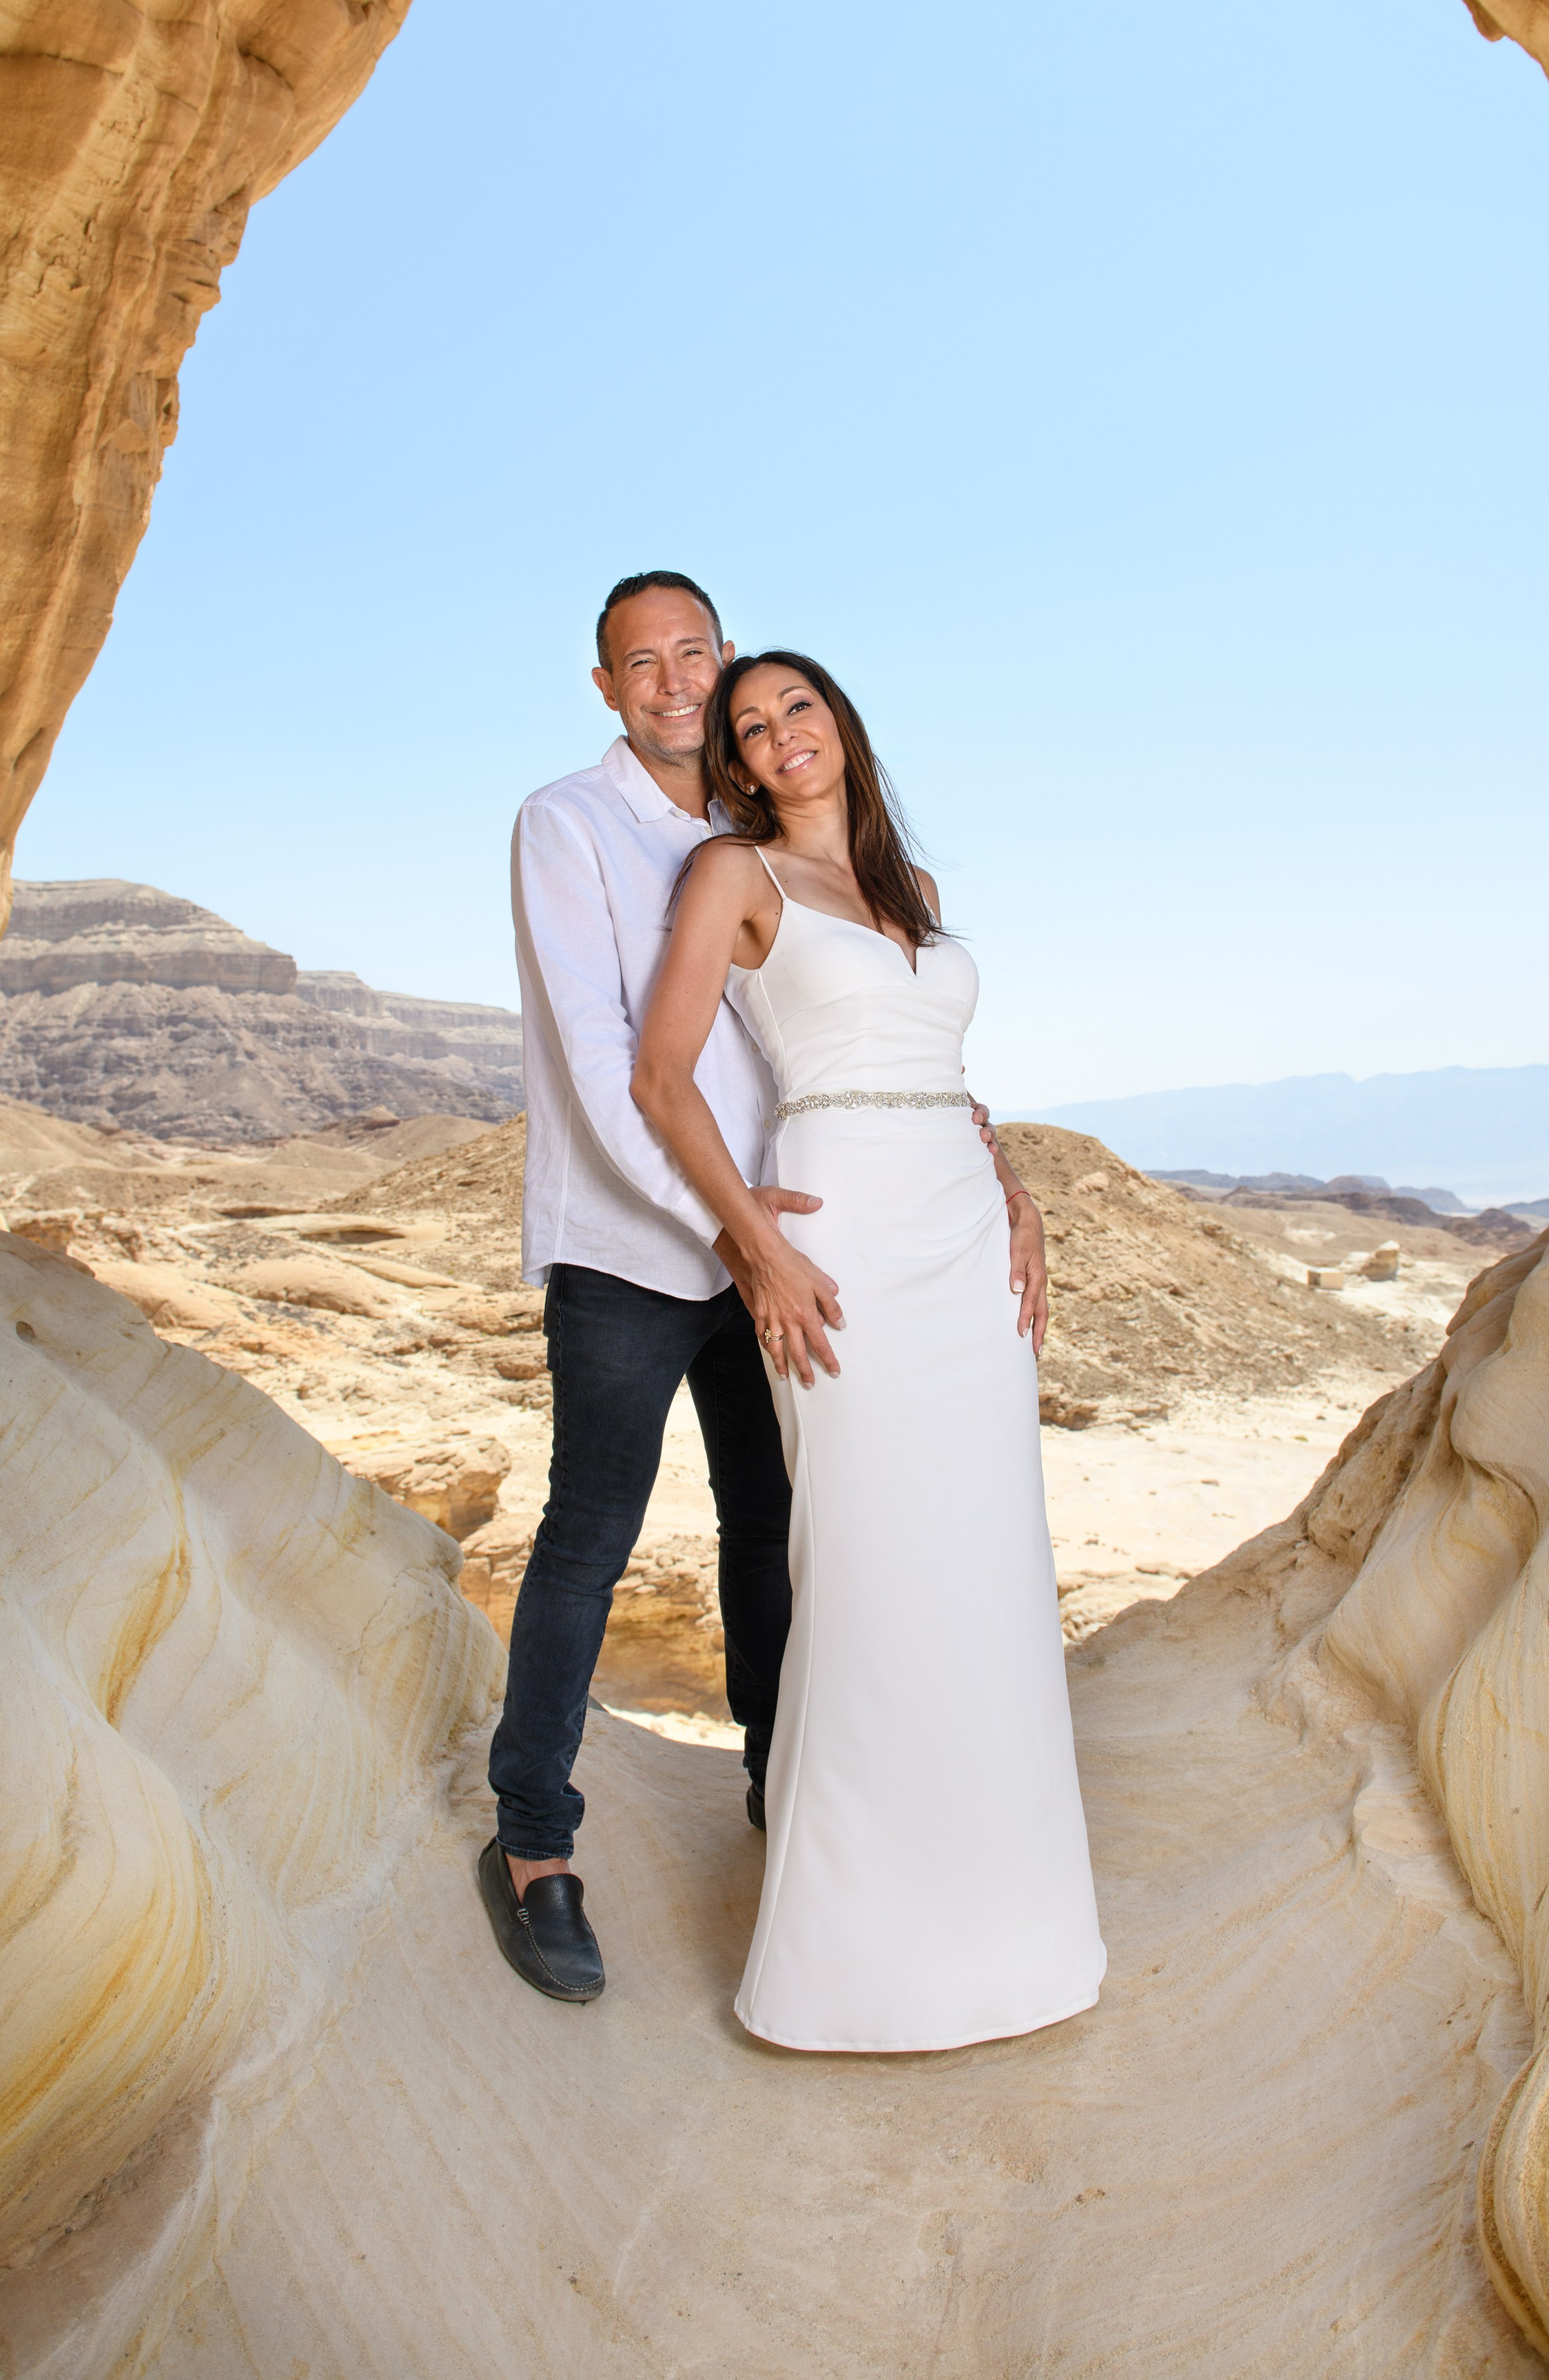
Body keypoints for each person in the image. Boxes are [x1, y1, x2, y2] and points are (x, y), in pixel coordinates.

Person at [633, 650, 1105, 2051]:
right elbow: (660, 1077)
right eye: (750, 726)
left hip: (965, 1241)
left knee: (988, 1566)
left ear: (837, 722)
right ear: (735, 763)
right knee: (866, 1565)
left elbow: (941, 1077)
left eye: (799, 708)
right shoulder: (734, 875)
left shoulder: (915, 891)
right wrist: (753, 1245)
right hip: (840, 1241)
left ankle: (1013, 1936)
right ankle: (853, 1966)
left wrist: (1014, 1189)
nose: (781, 735)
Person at [478, 573, 821, 2006]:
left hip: (765, 1244)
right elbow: (602, 1059)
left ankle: (781, 1795)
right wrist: (728, 1227)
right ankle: (532, 1844)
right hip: (629, 1250)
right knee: (587, 1540)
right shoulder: (567, 823)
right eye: (642, 662)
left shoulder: (760, 830)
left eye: (694, 652)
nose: (674, 681)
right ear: (607, 687)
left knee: (771, 1531)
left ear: (725, 659)